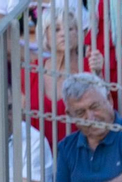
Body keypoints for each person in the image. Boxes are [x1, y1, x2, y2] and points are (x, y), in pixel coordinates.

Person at [28, 5, 104, 147]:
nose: (64, 34)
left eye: (70, 29)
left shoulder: (91, 67)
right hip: (38, 157)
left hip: (81, 154)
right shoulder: (32, 70)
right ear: (45, 36)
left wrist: (98, 74)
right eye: (56, 30)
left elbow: (104, 112)